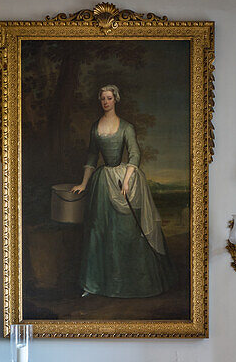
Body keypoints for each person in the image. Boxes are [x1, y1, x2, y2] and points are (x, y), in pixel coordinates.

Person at [72, 85, 176, 298]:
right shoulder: (95, 127)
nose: (105, 102)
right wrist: (83, 184)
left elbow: (135, 155)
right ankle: (95, 283)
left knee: (126, 232)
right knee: (99, 230)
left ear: (115, 99)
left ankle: (132, 283)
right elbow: (92, 156)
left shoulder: (126, 127)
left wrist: (127, 181)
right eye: (102, 99)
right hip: (102, 182)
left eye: (109, 98)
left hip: (122, 178)